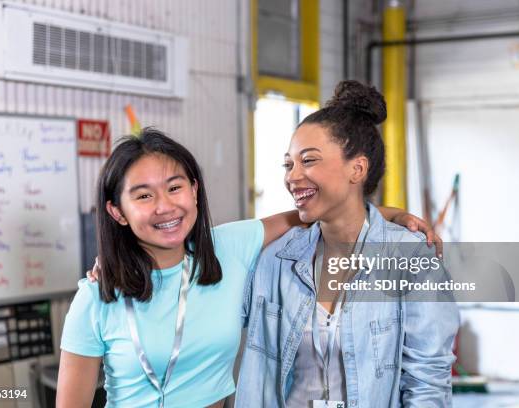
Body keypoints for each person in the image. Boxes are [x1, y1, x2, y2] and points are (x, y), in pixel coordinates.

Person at [56, 128, 438, 407]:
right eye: (143, 196)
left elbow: (313, 214)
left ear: (193, 190)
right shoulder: (96, 296)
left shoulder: (230, 248)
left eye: (174, 188)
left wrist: (393, 215)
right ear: (116, 212)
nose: (164, 207)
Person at [235, 81, 460, 407]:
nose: (292, 177)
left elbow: (428, 381)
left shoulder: (411, 257)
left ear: (357, 168)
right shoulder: (275, 260)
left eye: (308, 161)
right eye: (289, 164)